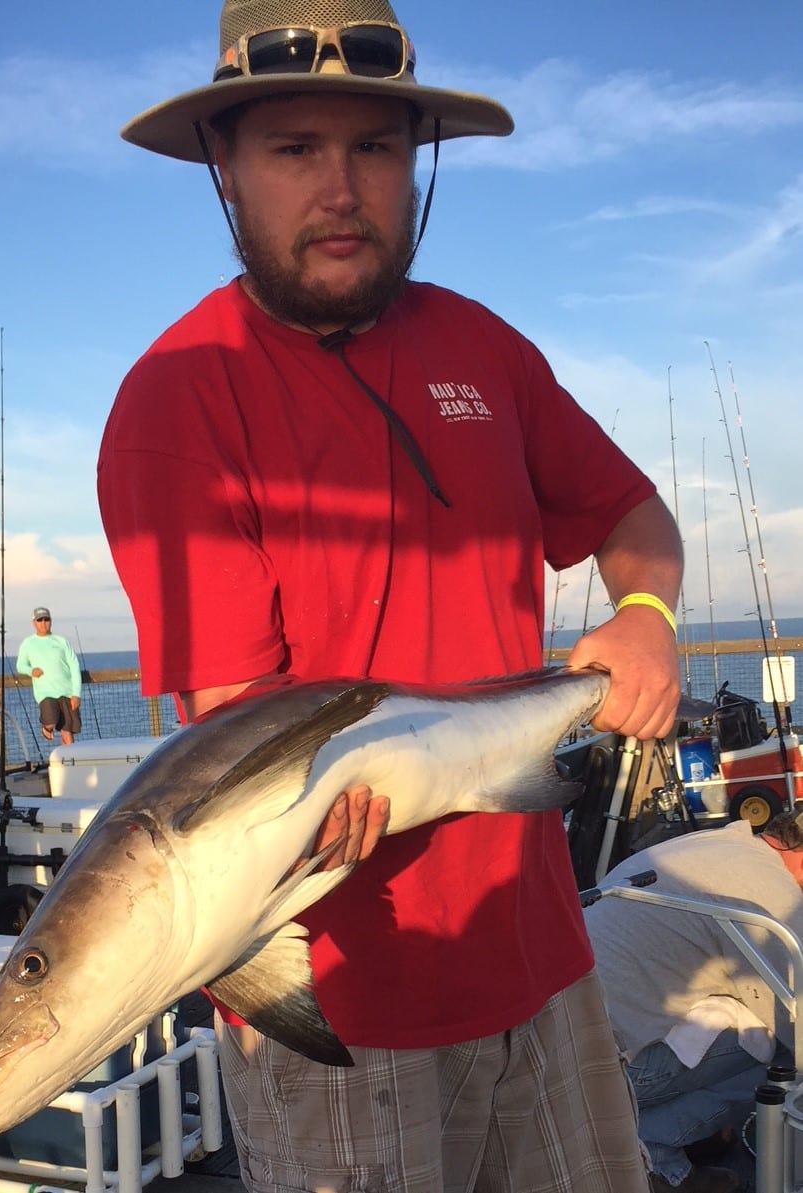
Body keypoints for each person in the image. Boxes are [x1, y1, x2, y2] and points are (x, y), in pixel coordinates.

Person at [97, 1, 684, 1189]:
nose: (341, 188)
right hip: (333, 1000)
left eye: (373, 148)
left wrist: (646, 617)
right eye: (295, 149)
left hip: (543, 954)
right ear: (225, 166)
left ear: (415, 164)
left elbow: (635, 517)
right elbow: (246, 723)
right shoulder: (178, 398)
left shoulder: (486, 350)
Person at [585, 815, 803, 1193]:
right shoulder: (770, 892)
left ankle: (652, 1137)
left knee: (743, 1009)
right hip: (607, 1069)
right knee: (777, 1054)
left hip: (567, 1043)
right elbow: (797, 1023)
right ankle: (654, 1157)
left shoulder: (721, 844)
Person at [15, 606, 82, 745]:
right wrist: (31, 671)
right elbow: (20, 665)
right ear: (34, 623)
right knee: (51, 721)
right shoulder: (28, 644)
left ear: (51, 621)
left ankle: (69, 762)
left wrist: (76, 694)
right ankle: (46, 728)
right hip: (46, 693)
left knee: (67, 731)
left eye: (46, 619)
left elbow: (74, 666)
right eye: (40, 620)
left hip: (67, 692)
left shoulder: (62, 641)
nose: (44, 623)